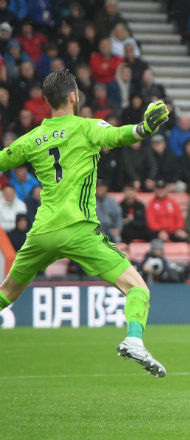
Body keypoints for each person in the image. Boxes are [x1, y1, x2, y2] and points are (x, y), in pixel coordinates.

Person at [0, 70, 169, 377]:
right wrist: (145, 128)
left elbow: (2, 160)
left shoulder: (31, 139)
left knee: (6, 293)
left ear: (48, 101)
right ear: (74, 97)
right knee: (137, 288)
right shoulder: (87, 127)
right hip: (79, 230)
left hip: (42, 233)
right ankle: (133, 339)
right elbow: (119, 136)